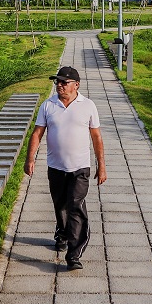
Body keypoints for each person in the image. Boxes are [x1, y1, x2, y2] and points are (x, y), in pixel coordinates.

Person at [24, 65, 106, 271]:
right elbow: (37, 134)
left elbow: (96, 137)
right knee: (60, 206)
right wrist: (30, 159)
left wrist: (101, 166)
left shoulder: (88, 106)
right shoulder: (48, 105)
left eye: (63, 82)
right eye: (57, 82)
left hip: (80, 168)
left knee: (75, 207)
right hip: (56, 168)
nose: (59, 85)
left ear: (76, 85)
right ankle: (62, 232)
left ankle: (74, 253)